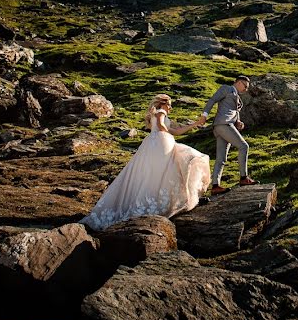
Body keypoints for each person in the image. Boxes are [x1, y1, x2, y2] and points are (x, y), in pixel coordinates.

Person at [81, 94, 210, 231]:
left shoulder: (162, 114)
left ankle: (160, 199)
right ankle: (161, 201)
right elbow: (161, 126)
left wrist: (194, 124)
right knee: (164, 170)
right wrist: (167, 132)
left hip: (160, 142)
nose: (170, 107)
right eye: (169, 104)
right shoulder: (161, 112)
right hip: (161, 142)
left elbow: (176, 131)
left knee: (159, 171)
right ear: (163, 104)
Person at [196, 75, 259, 195]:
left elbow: (233, 111)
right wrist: (204, 115)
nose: (246, 90)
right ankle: (243, 177)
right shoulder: (226, 88)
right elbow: (212, 100)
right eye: (245, 87)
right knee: (243, 146)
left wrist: (238, 122)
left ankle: (215, 185)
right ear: (239, 83)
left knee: (221, 158)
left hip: (225, 126)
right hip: (224, 124)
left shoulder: (237, 97)